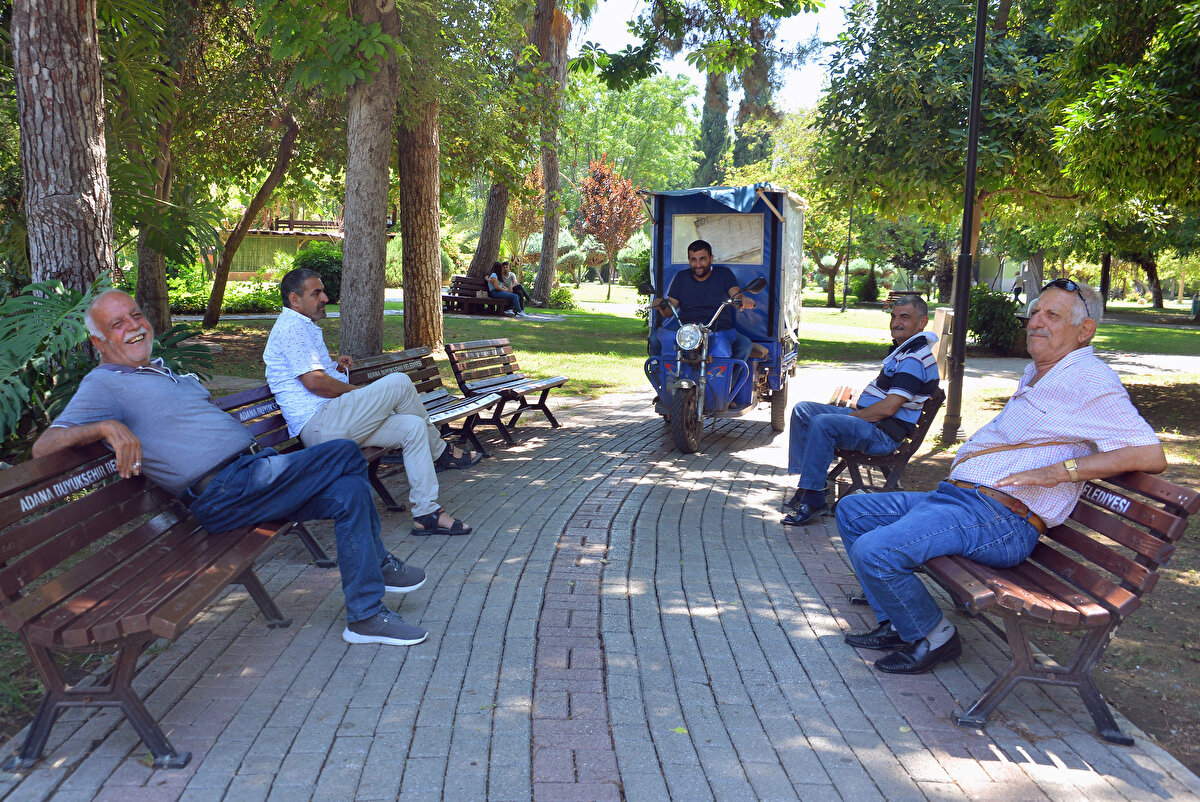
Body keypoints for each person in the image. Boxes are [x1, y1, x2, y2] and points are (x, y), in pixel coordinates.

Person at [31, 290, 430, 647]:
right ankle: (378, 564)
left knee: (349, 493)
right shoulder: (104, 384)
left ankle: (364, 617)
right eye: (117, 324)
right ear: (99, 342)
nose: (134, 326)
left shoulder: (160, 370)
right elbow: (42, 447)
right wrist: (106, 426)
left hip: (255, 474)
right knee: (342, 452)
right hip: (225, 492)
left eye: (136, 315)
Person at [836, 279, 1165, 675]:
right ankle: (897, 621)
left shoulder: (1090, 378)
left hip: (1000, 519)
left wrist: (1062, 471)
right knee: (854, 510)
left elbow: (1150, 453)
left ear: (1085, 330)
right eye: (1036, 312)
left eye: (1052, 315)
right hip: (963, 502)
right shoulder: (1040, 372)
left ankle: (934, 637)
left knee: (877, 550)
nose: (1035, 321)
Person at [264, 268, 477, 537]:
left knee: (412, 427)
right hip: (322, 424)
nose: (325, 298)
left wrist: (333, 363)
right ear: (295, 299)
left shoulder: (301, 326)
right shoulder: (292, 327)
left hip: (335, 421)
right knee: (399, 382)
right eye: (316, 293)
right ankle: (442, 452)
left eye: (323, 292)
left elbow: (312, 369)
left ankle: (427, 513)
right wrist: (355, 391)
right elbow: (315, 383)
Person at [783, 296, 939, 526]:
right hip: (871, 424)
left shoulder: (915, 359)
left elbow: (888, 408)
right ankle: (808, 484)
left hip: (882, 434)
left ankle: (813, 495)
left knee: (823, 423)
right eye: (894, 316)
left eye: (905, 317)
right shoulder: (907, 352)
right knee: (803, 411)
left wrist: (850, 416)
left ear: (922, 322)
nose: (896, 322)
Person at [653, 239, 756, 363]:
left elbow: (736, 294)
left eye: (702, 259)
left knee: (745, 345)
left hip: (720, 331)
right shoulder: (681, 277)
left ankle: (731, 381)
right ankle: (663, 378)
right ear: (689, 260)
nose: (698, 265)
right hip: (689, 333)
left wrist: (743, 299)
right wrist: (660, 305)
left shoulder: (724, 274)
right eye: (693, 260)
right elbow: (670, 311)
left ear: (711, 259)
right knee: (655, 339)